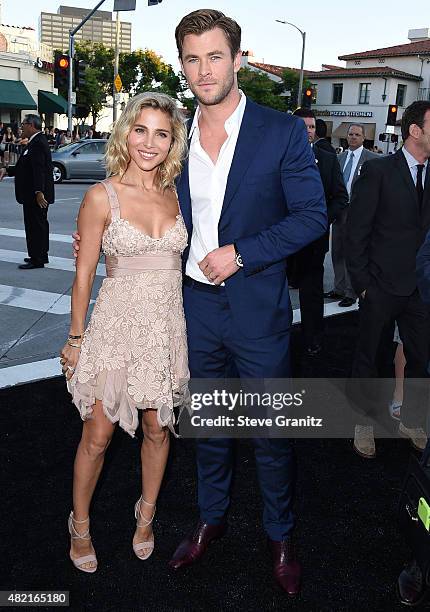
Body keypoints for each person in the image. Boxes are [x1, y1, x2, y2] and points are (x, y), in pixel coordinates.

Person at [73, 8, 326, 596]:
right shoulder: (175, 138)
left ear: (239, 59)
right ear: (182, 64)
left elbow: (314, 216)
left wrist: (243, 252)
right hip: (191, 312)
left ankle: (279, 535)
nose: (203, 69)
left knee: (269, 432)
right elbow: (138, 203)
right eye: (191, 58)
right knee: (207, 428)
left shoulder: (281, 131)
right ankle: (210, 521)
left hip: (258, 308)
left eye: (215, 56)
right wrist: (99, 235)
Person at [63, 92, 189, 573]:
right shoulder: (102, 196)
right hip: (115, 328)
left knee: (159, 429)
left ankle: (146, 514)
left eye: (161, 133)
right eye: (141, 130)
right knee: (97, 435)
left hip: (165, 330)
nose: (149, 143)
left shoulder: (179, 196)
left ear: (172, 141)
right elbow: (82, 277)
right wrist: (76, 341)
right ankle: (79, 525)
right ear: (125, 133)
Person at [346, 101, 430, 458]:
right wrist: (364, 283)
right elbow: (357, 231)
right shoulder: (379, 171)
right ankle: (363, 423)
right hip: (380, 285)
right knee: (369, 357)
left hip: (420, 290)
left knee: (420, 358)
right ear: (415, 131)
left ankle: (409, 418)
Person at [291, 108, 348, 355]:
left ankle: (312, 339)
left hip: (314, 242)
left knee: (312, 296)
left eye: (312, 127)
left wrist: (320, 220)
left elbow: (340, 197)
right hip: (280, 243)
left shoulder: (327, 159)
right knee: (275, 296)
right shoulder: (276, 158)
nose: (308, 131)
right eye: (303, 127)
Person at [325, 124, 377, 307]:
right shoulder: (338, 158)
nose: (353, 137)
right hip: (340, 210)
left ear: (364, 138)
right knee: (337, 250)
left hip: (358, 212)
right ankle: (338, 287)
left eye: (357, 135)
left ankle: (350, 291)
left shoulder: (372, 159)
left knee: (351, 253)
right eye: (350, 134)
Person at [0, 114, 54, 269]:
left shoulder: (38, 143)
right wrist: (7, 170)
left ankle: (38, 259)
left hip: (36, 195)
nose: (21, 127)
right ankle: (37, 255)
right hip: (32, 194)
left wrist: (39, 191)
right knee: (34, 225)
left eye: (23, 124)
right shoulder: (34, 142)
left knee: (37, 225)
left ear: (31, 125)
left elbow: (39, 170)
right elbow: (25, 167)